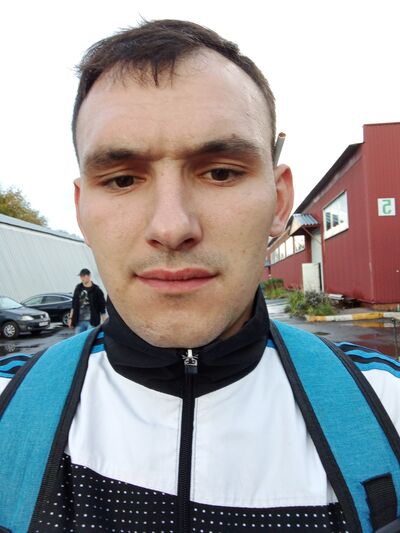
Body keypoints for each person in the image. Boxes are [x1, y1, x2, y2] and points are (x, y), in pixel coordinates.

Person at [0, 19, 399, 532]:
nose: (171, 228)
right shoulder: (10, 405)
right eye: (122, 179)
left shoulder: (385, 407)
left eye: (221, 172)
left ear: (280, 203)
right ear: (81, 211)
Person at [68, 268, 107, 333]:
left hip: (92, 322)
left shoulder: (97, 290)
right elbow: (73, 305)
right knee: (79, 338)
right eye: (81, 276)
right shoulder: (78, 288)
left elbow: (102, 308)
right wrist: (70, 319)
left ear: (89, 276)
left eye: (84, 276)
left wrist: (105, 322)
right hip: (79, 321)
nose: (82, 278)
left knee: (89, 338)